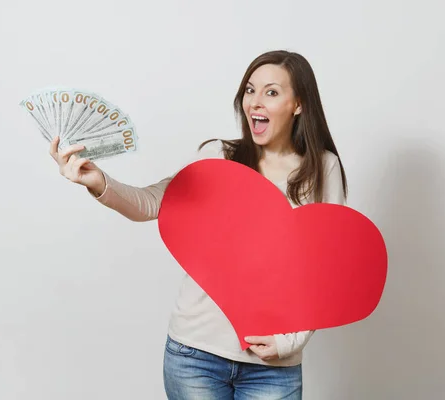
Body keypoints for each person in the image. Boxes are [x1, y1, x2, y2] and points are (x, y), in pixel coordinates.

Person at [49, 50, 348, 399]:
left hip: (273, 370)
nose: (255, 102)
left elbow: (326, 268)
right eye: (250, 90)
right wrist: (99, 182)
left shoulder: (322, 169)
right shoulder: (220, 156)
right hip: (196, 356)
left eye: (271, 92)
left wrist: (291, 341)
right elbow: (152, 202)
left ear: (298, 104)